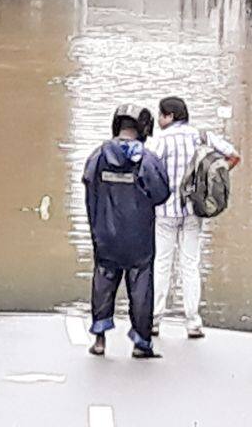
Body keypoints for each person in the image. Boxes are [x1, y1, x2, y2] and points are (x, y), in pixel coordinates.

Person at [82, 105, 171, 359]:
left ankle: (99, 338)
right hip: (138, 237)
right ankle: (141, 342)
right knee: (141, 286)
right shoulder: (146, 159)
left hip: (106, 234)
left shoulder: (98, 156)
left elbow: (89, 187)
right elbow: (161, 193)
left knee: (103, 281)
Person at [148, 95, 239, 339]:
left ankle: (155, 319)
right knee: (190, 264)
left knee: (161, 264)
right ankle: (193, 322)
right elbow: (233, 155)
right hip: (194, 210)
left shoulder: (160, 140)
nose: (159, 119)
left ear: (169, 116)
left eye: (161, 115)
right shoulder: (202, 137)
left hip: (164, 210)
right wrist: (213, 177)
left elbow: (145, 167)